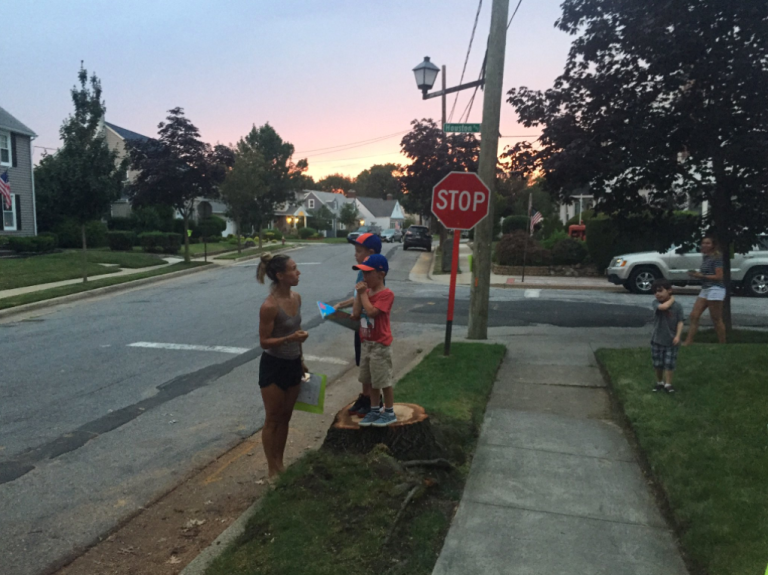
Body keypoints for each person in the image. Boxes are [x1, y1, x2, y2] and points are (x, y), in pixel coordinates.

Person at [256, 253, 309, 479]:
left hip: (293, 363)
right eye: (293, 269)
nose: (298, 273)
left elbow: (296, 331)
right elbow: (264, 341)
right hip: (273, 366)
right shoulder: (269, 306)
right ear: (280, 275)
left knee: (286, 416)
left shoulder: (296, 298)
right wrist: (289, 339)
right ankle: (271, 469)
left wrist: (301, 359)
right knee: (273, 417)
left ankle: (280, 463)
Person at [336, 233, 382, 417]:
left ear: (370, 253)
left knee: (370, 363)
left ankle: (374, 401)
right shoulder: (362, 273)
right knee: (363, 363)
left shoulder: (374, 274)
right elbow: (357, 297)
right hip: (361, 327)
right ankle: (364, 396)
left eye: (358, 251)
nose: (355, 255)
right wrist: (340, 305)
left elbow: (365, 299)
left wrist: (354, 313)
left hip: (370, 326)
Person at [351, 254, 397, 427]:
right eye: (363, 273)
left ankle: (390, 411)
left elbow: (371, 312)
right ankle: (374, 409)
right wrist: (358, 294)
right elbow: (356, 315)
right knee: (370, 380)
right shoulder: (366, 293)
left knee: (383, 380)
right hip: (366, 343)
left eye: (368, 273)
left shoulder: (386, 294)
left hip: (380, 344)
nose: (364, 277)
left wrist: (363, 295)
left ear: (381, 274)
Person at [683, 235, 726, 345]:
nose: (705, 245)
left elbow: (719, 276)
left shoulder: (717, 258)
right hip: (706, 289)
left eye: (708, 243)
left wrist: (701, 276)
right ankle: (688, 341)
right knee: (694, 315)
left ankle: (723, 343)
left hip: (715, 289)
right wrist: (695, 274)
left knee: (716, 318)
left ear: (713, 245)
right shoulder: (706, 257)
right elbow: (705, 273)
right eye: (703, 243)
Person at [650, 278, 685, 393]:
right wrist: (672, 298)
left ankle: (668, 384)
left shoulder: (678, 307)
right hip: (657, 339)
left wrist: (678, 336)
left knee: (669, 363)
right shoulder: (656, 303)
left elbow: (680, 322)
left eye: (660, 291)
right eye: (655, 292)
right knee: (658, 363)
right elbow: (663, 307)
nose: (657, 294)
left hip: (671, 340)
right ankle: (659, 381)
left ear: (669, 290)